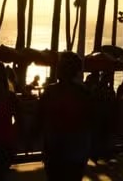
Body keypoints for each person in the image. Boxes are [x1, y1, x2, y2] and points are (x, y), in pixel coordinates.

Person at [40, 52, 93, 181]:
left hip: (72, 148)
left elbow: (90, 119)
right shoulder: (51, 91)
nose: (58, 68)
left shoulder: (81, 93)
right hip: (57, 148)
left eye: (61, 66)